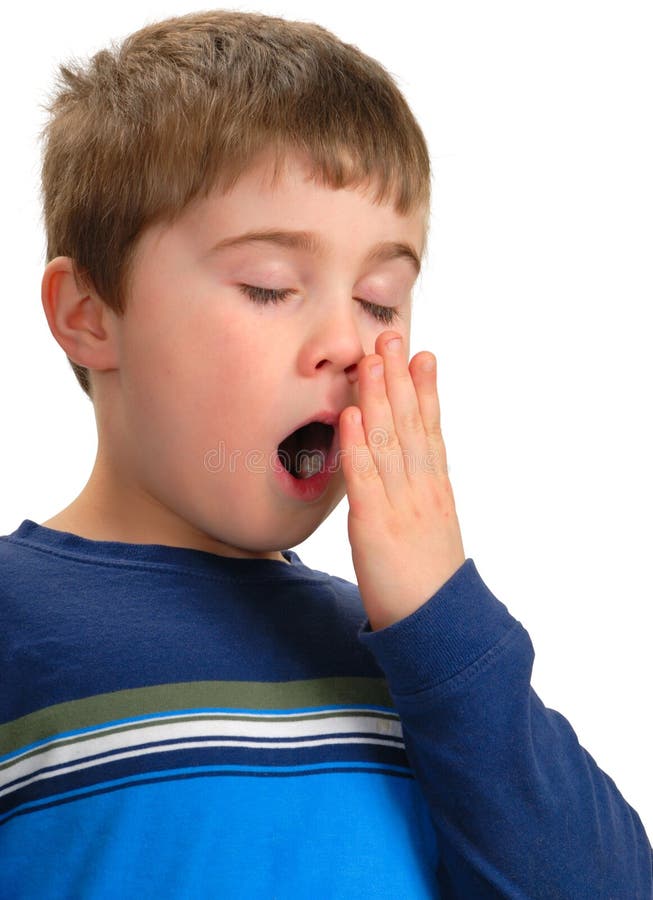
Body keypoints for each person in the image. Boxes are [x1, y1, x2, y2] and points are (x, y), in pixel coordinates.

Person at [0, 9, 650, 898]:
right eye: (270, 287)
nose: (347, 340)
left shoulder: (417, 659)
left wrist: (438, 616)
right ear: (89, 314)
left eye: (380, 300)